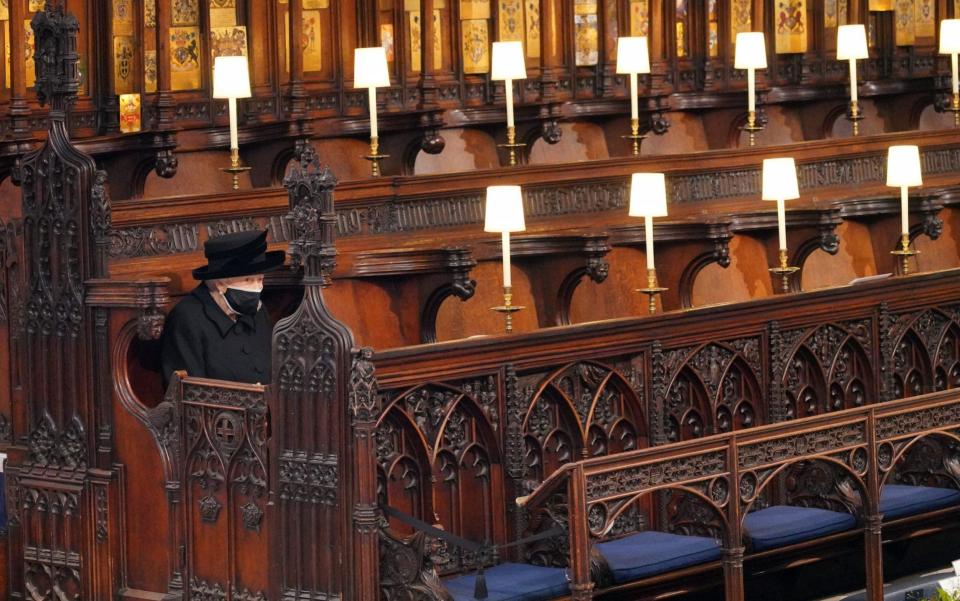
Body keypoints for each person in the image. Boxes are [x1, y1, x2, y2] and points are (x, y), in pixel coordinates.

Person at [160, 229, 285, 387]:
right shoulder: (187, 319)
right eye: (247, 279)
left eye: (260, 279)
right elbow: (188, 394)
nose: (257, 288)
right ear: (220, 282)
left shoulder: (259, 311)